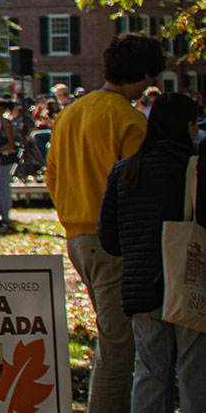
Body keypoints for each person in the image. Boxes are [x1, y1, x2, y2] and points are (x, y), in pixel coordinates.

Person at [49, 33, 167, 413]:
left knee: (111, 333)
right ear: (143, 74)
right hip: (112, 241)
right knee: (118, 343)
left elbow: (52, 176)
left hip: (76, 237)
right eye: (152, 77)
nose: (152, 85)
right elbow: (138, 187)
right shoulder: (130, 119)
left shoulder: (69, 113)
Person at [99, 94, 205, 413]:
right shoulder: (194, 168)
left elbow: (109, 239)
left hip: (141, 286)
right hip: (188, 281)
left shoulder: (124, 171)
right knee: (194, 371)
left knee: (149, 372)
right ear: (187, 126)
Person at [0, 99, 20, 226]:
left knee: (3, 188)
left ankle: (6, 217)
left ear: (1, 108)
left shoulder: (6, 123)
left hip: (5, 160)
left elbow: (11, 144)